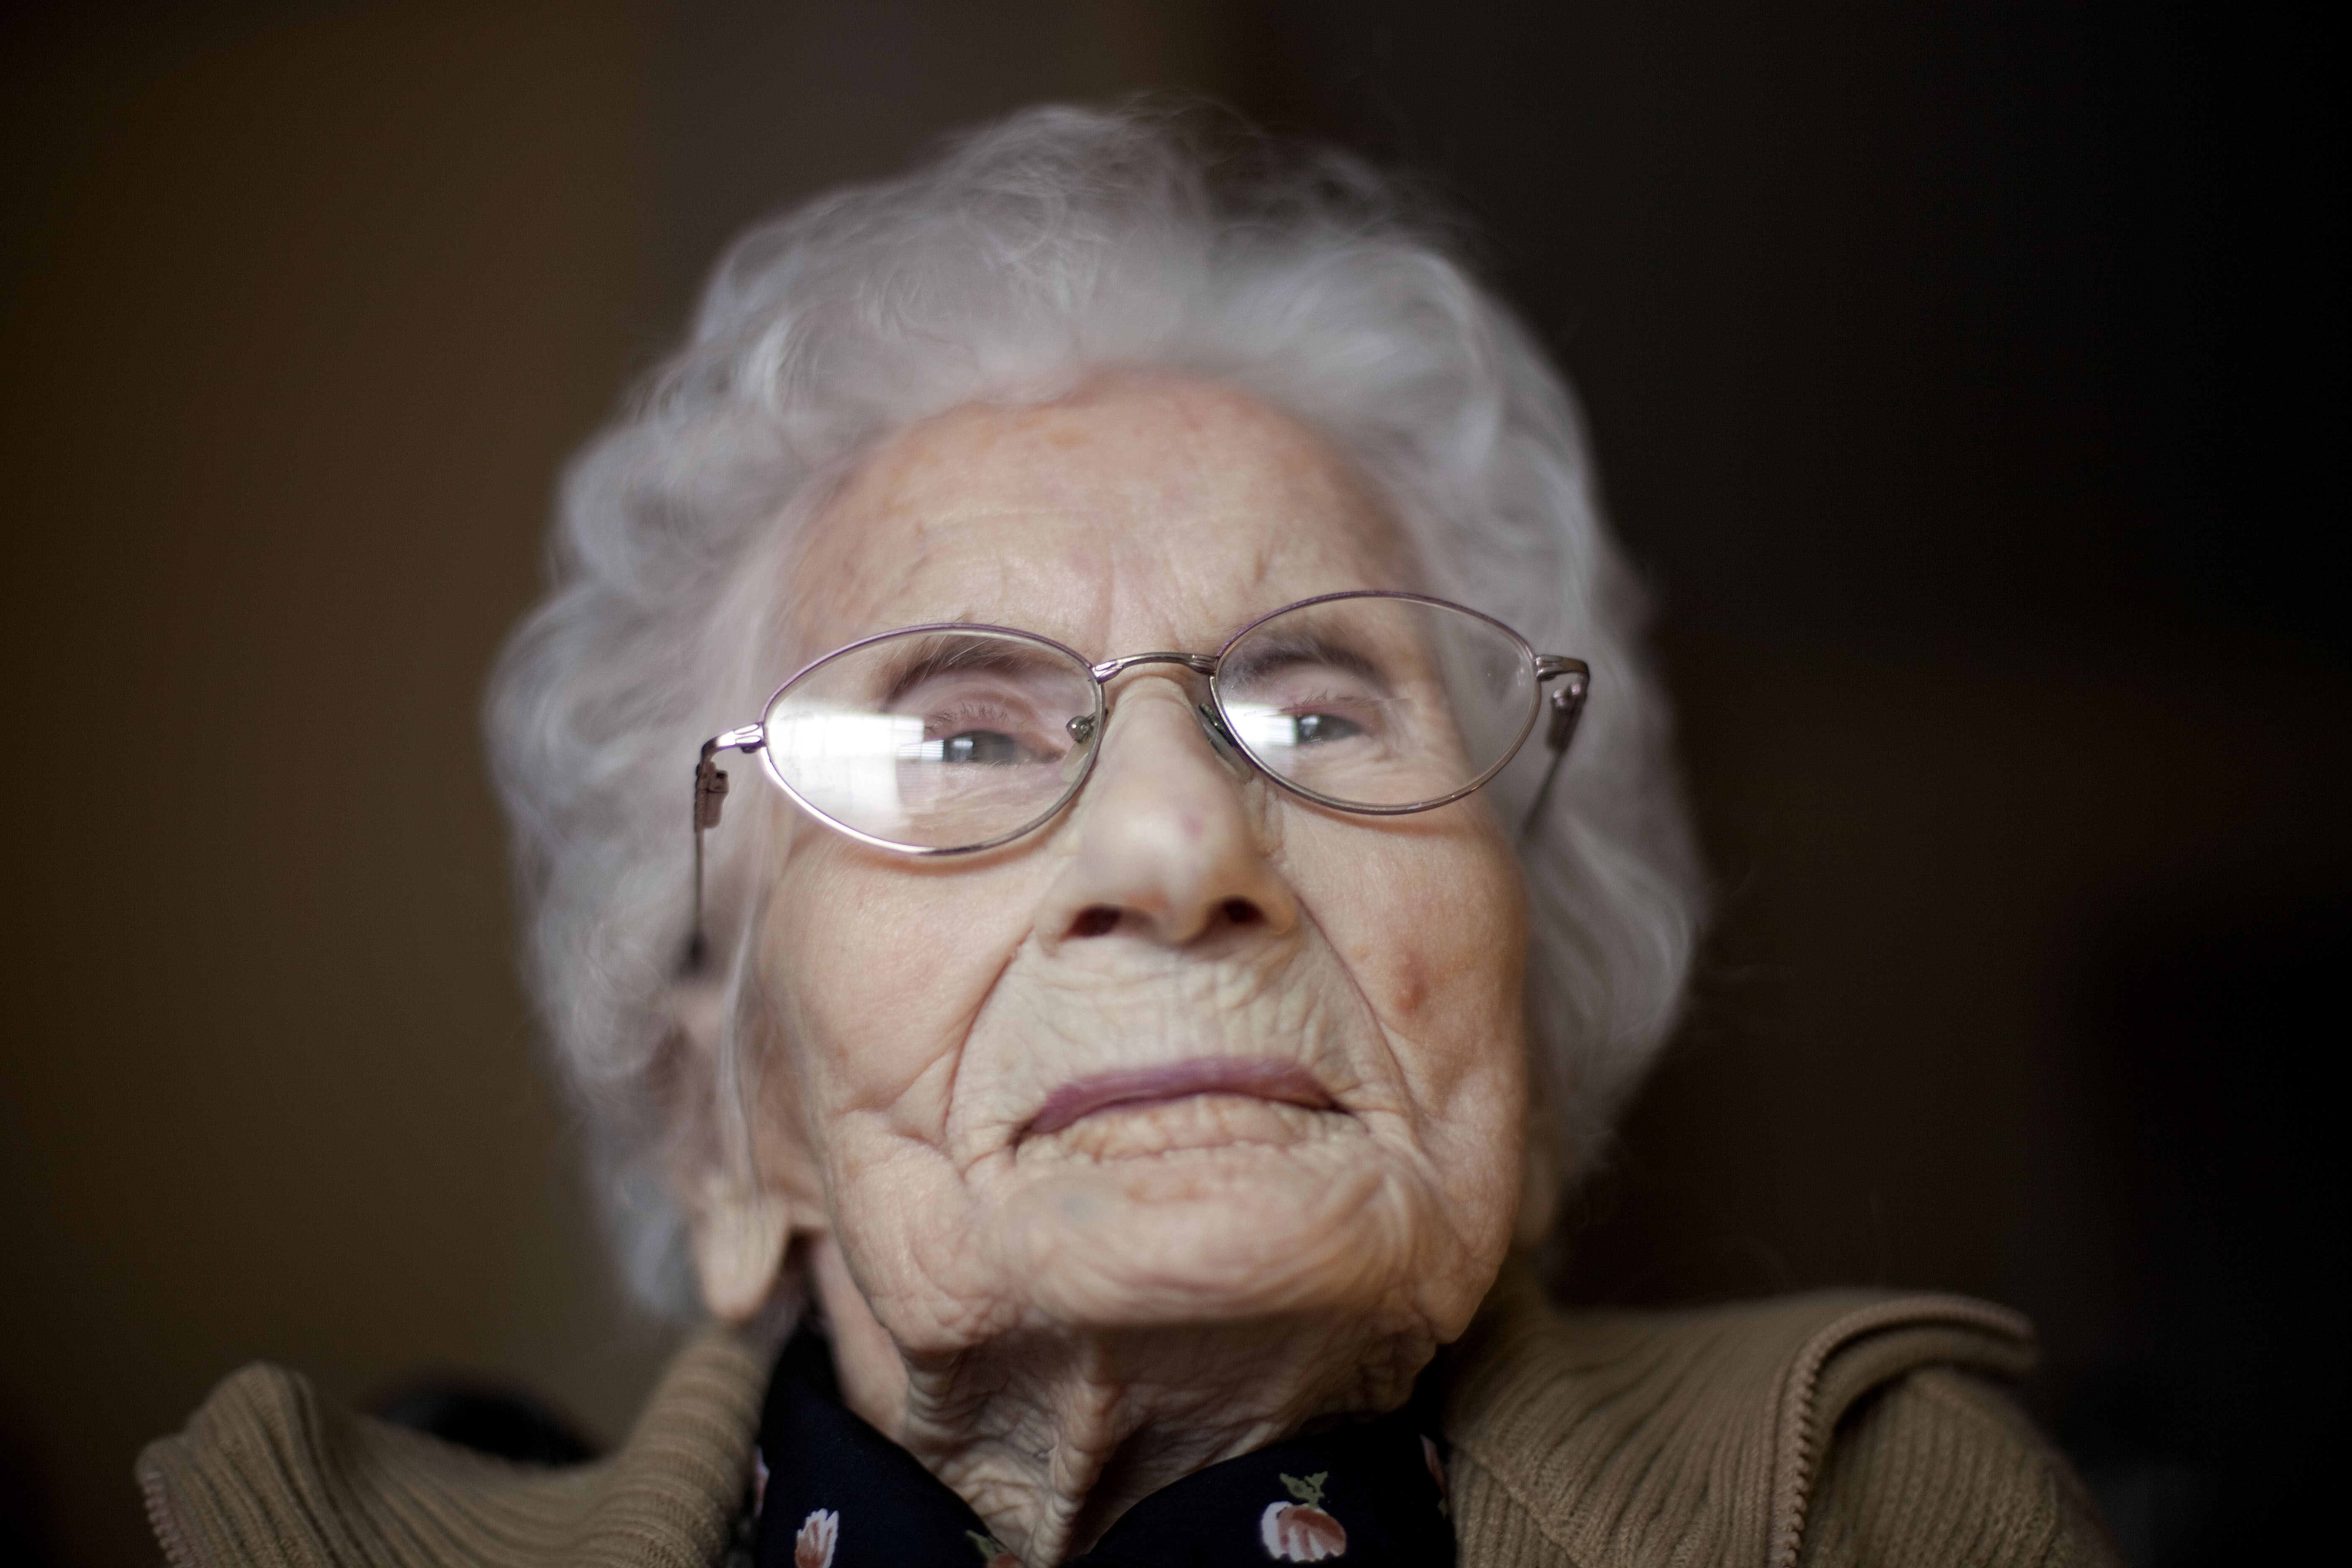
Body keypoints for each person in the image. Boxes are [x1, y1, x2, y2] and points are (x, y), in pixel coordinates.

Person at [139, 106, 2115, 1567]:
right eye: (961, 740)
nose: (1179, 845)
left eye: (1319, 706)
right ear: (718, 1119)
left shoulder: (1891, 1511)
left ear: (1526, 1009)